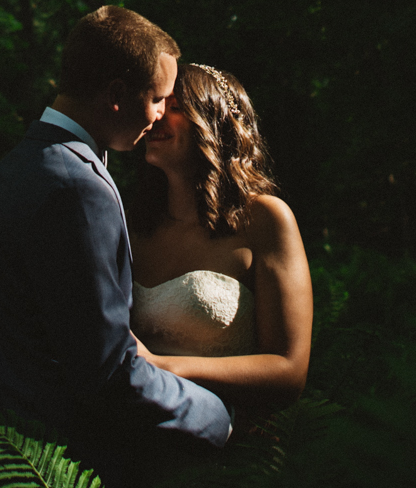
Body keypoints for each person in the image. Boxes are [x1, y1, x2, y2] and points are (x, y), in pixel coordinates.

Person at [0, 6, 232, 483]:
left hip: (6, 448)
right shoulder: (79, 186)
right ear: (115, 94)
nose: (158, 115)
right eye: (157, 98)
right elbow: (107, 371)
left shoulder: (15, 165)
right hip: (63, 458)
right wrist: (214, 417)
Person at [128, 63, 312, 413]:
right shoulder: (132, 223)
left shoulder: (265, 219)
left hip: (229, 449)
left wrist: (162, 367)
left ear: (213, 122)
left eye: (176, 107)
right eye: (157, 103)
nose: (156, 115)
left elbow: (288, 372)